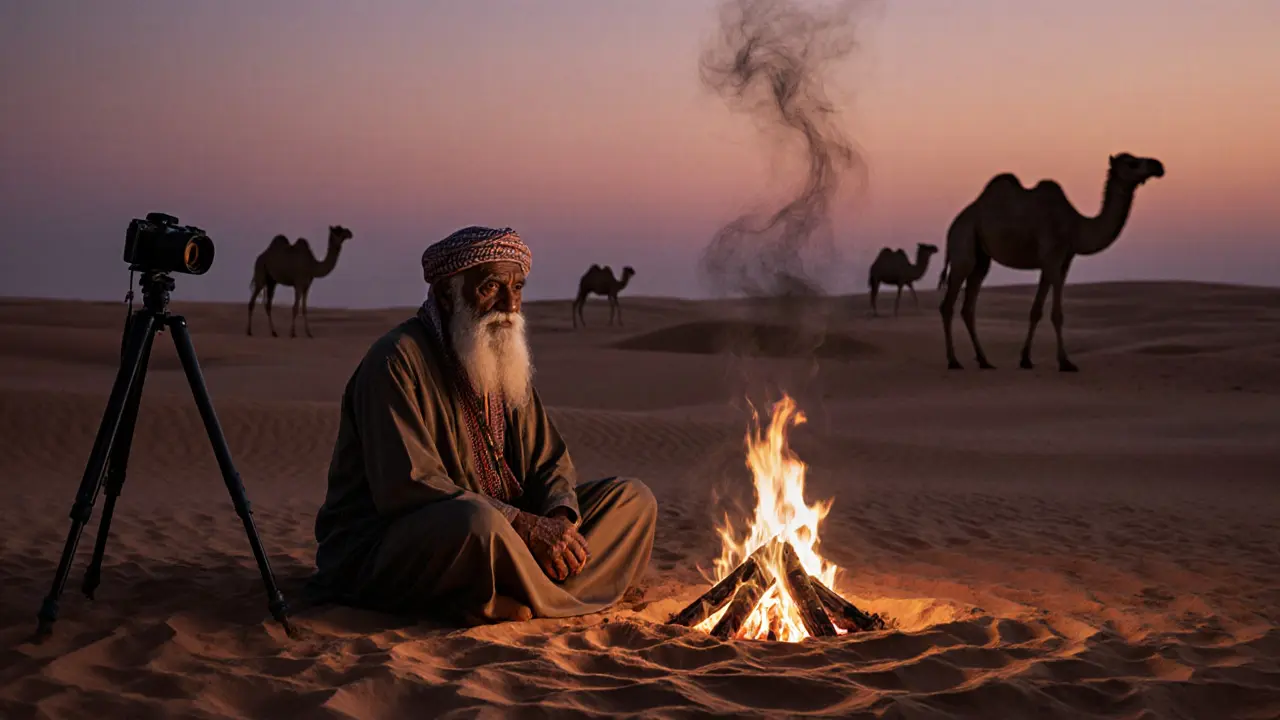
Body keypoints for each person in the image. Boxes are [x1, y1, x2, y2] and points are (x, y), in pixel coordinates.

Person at [306, 226, 657, 624]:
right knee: (477, 524)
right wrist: (524, 526)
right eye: (491, 287)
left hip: (508, 537)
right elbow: (409, 487)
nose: (509, 304)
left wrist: (558, 523)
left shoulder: (502, 358)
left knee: (633, 499)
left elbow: (549, 463)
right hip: (394, 545)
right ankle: (552, 595)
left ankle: (508, 596)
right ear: (445, 294)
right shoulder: (396, 361)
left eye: (518, 288)